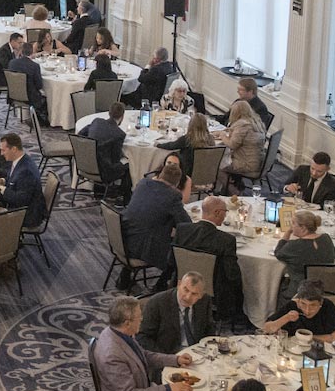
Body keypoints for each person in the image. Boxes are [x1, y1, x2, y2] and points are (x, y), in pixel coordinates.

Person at [173, 196, 246, 323]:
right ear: (217, 212)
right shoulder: (226, 240)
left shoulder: (182, 230)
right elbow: (232, 275)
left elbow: (171, 261)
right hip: (215, 293)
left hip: (183, 282)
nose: (225, 215)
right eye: (225, 211)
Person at [121, 157, 186, 289]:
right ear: (177, 183)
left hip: (123, 239)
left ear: (160, 175)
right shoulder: (172, 196)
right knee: (180, 248)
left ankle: (124, 276)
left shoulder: (143, 183)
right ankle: (161, 284)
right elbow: (185, 224)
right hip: (143, 247)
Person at [139, 272, 214, 354]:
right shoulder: (157, 303)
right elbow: (143, 337)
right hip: (168, 354)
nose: (188, 297)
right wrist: (167, 358)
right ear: (179, 284)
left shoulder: (205, 301)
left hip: (198, 352)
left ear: (201, 295)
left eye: (194, 294)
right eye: (186, 290)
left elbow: (209, 328)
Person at [273, 207, 335, 299]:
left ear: (303, 227)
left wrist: (288, 232)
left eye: (293, 223)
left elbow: (278, 253)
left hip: (298, 293)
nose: (291, 226)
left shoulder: (294, 246)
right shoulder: (326, 238)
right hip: (323, 290)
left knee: (278, 284)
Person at [79, 101, 133, 200]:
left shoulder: (97, 121)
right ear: (122, 116)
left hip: (84, 165)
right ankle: (123, 196)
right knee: (131, 164)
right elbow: (115, 159)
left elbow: (81, 134)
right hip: (104, 172)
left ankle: (100, 190)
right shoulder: (119, 134)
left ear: (109, 113)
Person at [262, 279, 335, 342]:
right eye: (303, 304)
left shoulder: (327, 306)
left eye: (313, 305)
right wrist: (286, 318)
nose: (307, 310)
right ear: (298, 300)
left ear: (321, 302)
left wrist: (306, 337)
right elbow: (266, 329)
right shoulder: (292, 305)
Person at [0, 132, 46, 227]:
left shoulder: (26, 171)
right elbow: (16, 180)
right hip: (22, 207)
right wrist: (3, 181)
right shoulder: (21, 160)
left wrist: (0, 188)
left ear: (14, 149)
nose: (1, 154)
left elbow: (20, 200)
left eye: (3, 150)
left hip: (27, 215)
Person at [219, 97, 266, 193]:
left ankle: (233, 191)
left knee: (216, 165)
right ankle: (234, 184)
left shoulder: (242, 125)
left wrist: (222, 135)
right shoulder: (256, 122)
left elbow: (232, 145)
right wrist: (229, 131)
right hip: (258, 162)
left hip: (245, 164)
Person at [5, 41, 48, 119]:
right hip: (29, 97)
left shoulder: (12, 62)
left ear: (21, 52)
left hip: (13, 94)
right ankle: (40, 120)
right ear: (32, 52)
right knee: (46, 96)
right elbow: (39, 86)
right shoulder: (35, 66)